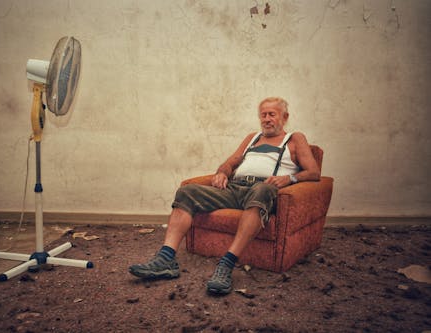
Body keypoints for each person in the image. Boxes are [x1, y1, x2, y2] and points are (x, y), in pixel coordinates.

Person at [129, 97, 320, 295]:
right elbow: (230, 163)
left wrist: (289, 178)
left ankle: (226, 265)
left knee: (262, 189)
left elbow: (314, 172)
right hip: (235, 188)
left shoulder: (295, 139)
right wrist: (222, 172)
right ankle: (166, 259)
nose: (267, 119)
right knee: (187, 192)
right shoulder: (252, 138)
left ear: (285, 117)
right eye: (263, 115)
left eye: (272, 114)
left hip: (263, 190)